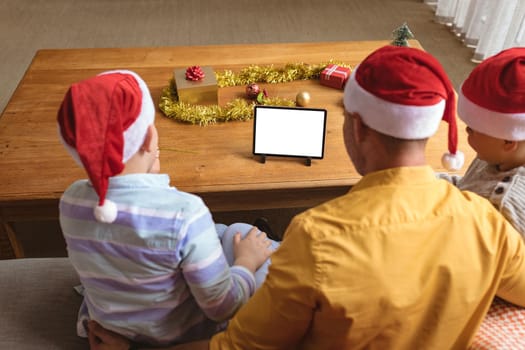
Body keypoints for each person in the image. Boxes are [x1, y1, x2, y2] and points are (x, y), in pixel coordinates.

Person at [87, 46, 525, 350]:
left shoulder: (317, 236)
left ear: (356, 126)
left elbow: (239, 347)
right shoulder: (488, 225)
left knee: (237, 238)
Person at [56, 70, 278, 347]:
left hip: (117, 328)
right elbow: (223, 307)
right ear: (149, 137)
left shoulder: (71, 200)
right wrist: (247, 261)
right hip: (182, 336)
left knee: (219, 232)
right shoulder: (184, 213)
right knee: (247, 238)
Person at [439, 47, 525, 238]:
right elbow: (466, 187)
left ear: (508, 140)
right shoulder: (495, 156)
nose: (466, 131)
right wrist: (424, 181)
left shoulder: (501, 204)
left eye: (472, 129)